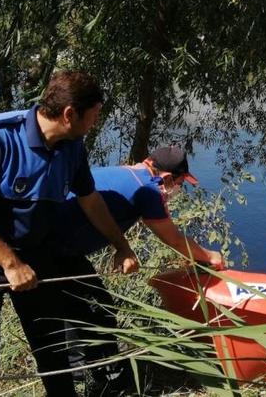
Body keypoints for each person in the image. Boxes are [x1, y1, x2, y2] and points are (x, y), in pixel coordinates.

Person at [0, 71, 139, 397]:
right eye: (94, 114)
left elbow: (90, 201)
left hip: (32, 255)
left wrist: (122, 246)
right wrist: (9, 263)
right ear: (69, 114)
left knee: (53, 350)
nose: (96, 122)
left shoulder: (72, 147)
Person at [51, 147, 225, 392]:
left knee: (75, 304)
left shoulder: (127, 173)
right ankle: (110, 380)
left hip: (52, 241)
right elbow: (173, 239)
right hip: (57, 249)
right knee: (98, 309)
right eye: (179, 182)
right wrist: (209, 256)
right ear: (166, 178)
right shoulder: (148, 191)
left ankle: (78, 372)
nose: (178, 189)